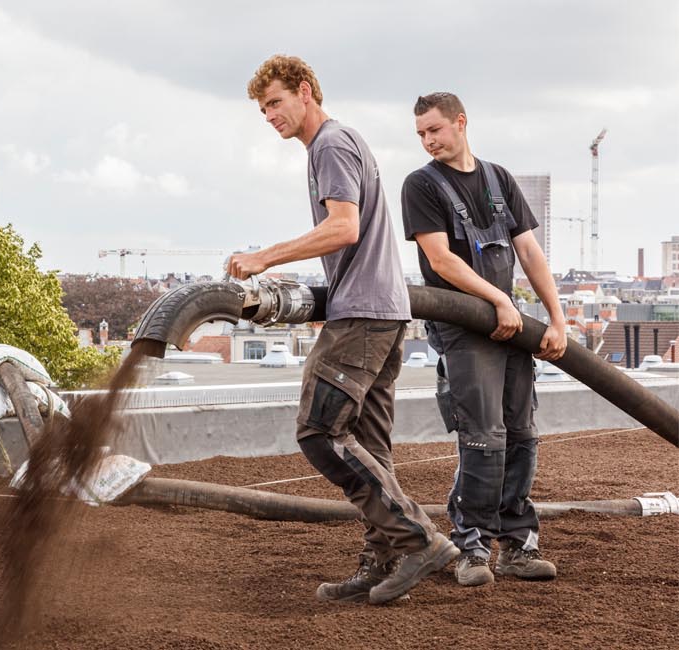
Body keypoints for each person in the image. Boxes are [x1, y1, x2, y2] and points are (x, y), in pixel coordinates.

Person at [230, 55, 458, 605]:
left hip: (361, 316)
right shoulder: (336, 144)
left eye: (276, 103)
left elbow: (344, 226)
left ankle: (418, 541)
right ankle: (383, 563)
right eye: (263, 110)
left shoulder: (331, 143)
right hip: (384, 312)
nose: (269, 116)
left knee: (319, 431)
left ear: (305, 92)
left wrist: (264, 256)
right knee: (370, 446)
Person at [401, 92, 565, 586]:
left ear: (460, 123)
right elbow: (441, 260)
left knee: (522, 434)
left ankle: (517, 545)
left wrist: (556, 320)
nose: (428, 141)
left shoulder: (498, 180)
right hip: (465, 327)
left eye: (435, 130)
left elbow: (530, 253)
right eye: (421, 135)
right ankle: (471, 547)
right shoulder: (421, 186)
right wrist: (499, 299)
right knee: (483, 438)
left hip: (512, 324)